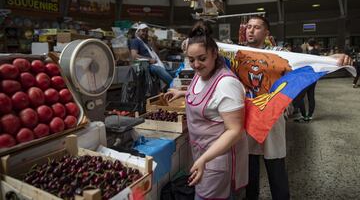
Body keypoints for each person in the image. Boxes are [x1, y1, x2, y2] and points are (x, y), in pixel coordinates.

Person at [243, 15, 352, 200]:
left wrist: (332, 58)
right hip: (248, 116)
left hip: (272, 116)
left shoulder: (277, 53)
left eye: (257, 27)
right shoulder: (238, 53)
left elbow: (304, 60)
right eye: (249, 27)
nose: (251, 30)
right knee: (249, 166)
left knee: (275, 162)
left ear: (267, 32)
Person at [164, 21, 248, 200]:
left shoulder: (227, 84)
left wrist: (203, 160)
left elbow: (235, 131)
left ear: (214, 53)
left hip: (218, 160)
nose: (196, 65)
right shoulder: (201, 73)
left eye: (202, 59)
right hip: (203, 155)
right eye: (191, 60)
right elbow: (206, 95)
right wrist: (182, 92)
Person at [129, 23, 176, 89]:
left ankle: (177, 83)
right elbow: (134, 55)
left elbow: (157, 53)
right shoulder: (135, 41)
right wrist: (149, 60)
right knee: (160, 70)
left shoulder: (146, 42)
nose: (145, 33)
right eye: (143, 31)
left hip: (156, 62)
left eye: (146, 31)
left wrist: (153, 41)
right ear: (138, 31)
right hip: (147, 65)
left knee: (171, 71)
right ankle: (175, 86)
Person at [294, 38, 320, 122]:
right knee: (311, 96)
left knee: (300, 96)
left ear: (308, 44)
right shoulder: (316, 52)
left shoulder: (309, 54)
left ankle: (304, 115)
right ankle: (309, 115)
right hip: (314, 77)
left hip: (307, 77)